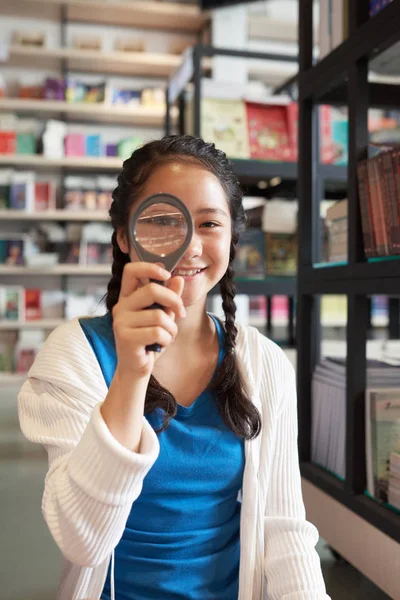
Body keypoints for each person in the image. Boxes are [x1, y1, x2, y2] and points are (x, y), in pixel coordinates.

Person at [18, 135, 330, 600]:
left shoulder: (263, 364)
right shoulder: (74, 356)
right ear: (125, 235)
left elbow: (283, 527)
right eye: (163, 221)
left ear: (232, 236)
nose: (189, 245)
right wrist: (130, 374)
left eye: (209, 223)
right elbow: (83, 542)